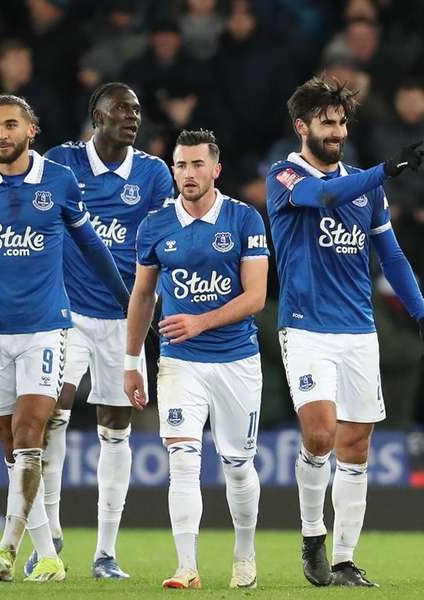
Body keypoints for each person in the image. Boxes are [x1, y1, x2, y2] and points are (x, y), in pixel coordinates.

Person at [0, 94, 130, 583]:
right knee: (12, 446)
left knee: (31, 434)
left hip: (47, 330)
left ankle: (11, 547)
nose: (0, 135)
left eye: (10, 125)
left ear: (32, 130)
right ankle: (46, 553)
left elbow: (91, 244)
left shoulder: (58, 180)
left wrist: (124, 298)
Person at [266, 76, 424, 588]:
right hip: (304, 328)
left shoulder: (367, 191)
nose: (337, 130)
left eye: (341, 121)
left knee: (357, 445)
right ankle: (311, 536)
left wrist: (422, 315)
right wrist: (384, 170)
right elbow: (323, 196)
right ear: (302, 126)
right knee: (319, 433)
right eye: (327, 121)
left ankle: (343, 560)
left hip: (359, 331)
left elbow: (391, 254)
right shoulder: (286, 174)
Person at [28, 82, 173, 579]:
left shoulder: (153, 174)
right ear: (97, 115)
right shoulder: (61, 163)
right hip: (66, 314)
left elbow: (157, 247)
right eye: (121, 109)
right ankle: (50, 535)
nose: (132, 117)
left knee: (116, 428)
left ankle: (106, 551)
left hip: (123, 320)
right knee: (52, 416)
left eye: (137, 109)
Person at [125, 129, 270, 589]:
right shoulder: (155, 225)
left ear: (216, 170)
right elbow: (143, 295)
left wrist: (201, 321)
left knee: (237, 464)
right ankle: (186, 566)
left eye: (196, 165)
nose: (188, 174)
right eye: (180, 166)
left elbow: (257, 297)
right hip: (179, 361)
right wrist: (132, 361)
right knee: (183, 459)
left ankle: (244, 553)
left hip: (236, 360)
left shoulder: (244, 219)